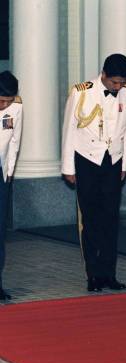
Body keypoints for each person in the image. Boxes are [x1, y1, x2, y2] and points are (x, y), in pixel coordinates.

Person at [61, 54, 126, 292]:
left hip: (113, 160)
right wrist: (68, 168)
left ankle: (109, 274)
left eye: (122, 82)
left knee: (111, 219)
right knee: (91, 219)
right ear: (103, 74)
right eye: (114, 82)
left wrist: (125, 165)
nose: (118, 87)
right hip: (87, 159)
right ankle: (93, 275)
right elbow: (69, 130)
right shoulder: (81, 92)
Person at [0, 71, 22, 301]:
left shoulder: (16, 108)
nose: (4, 105)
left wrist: (9, 172)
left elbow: (14, 141)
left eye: (9, 100)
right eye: (1, 100)